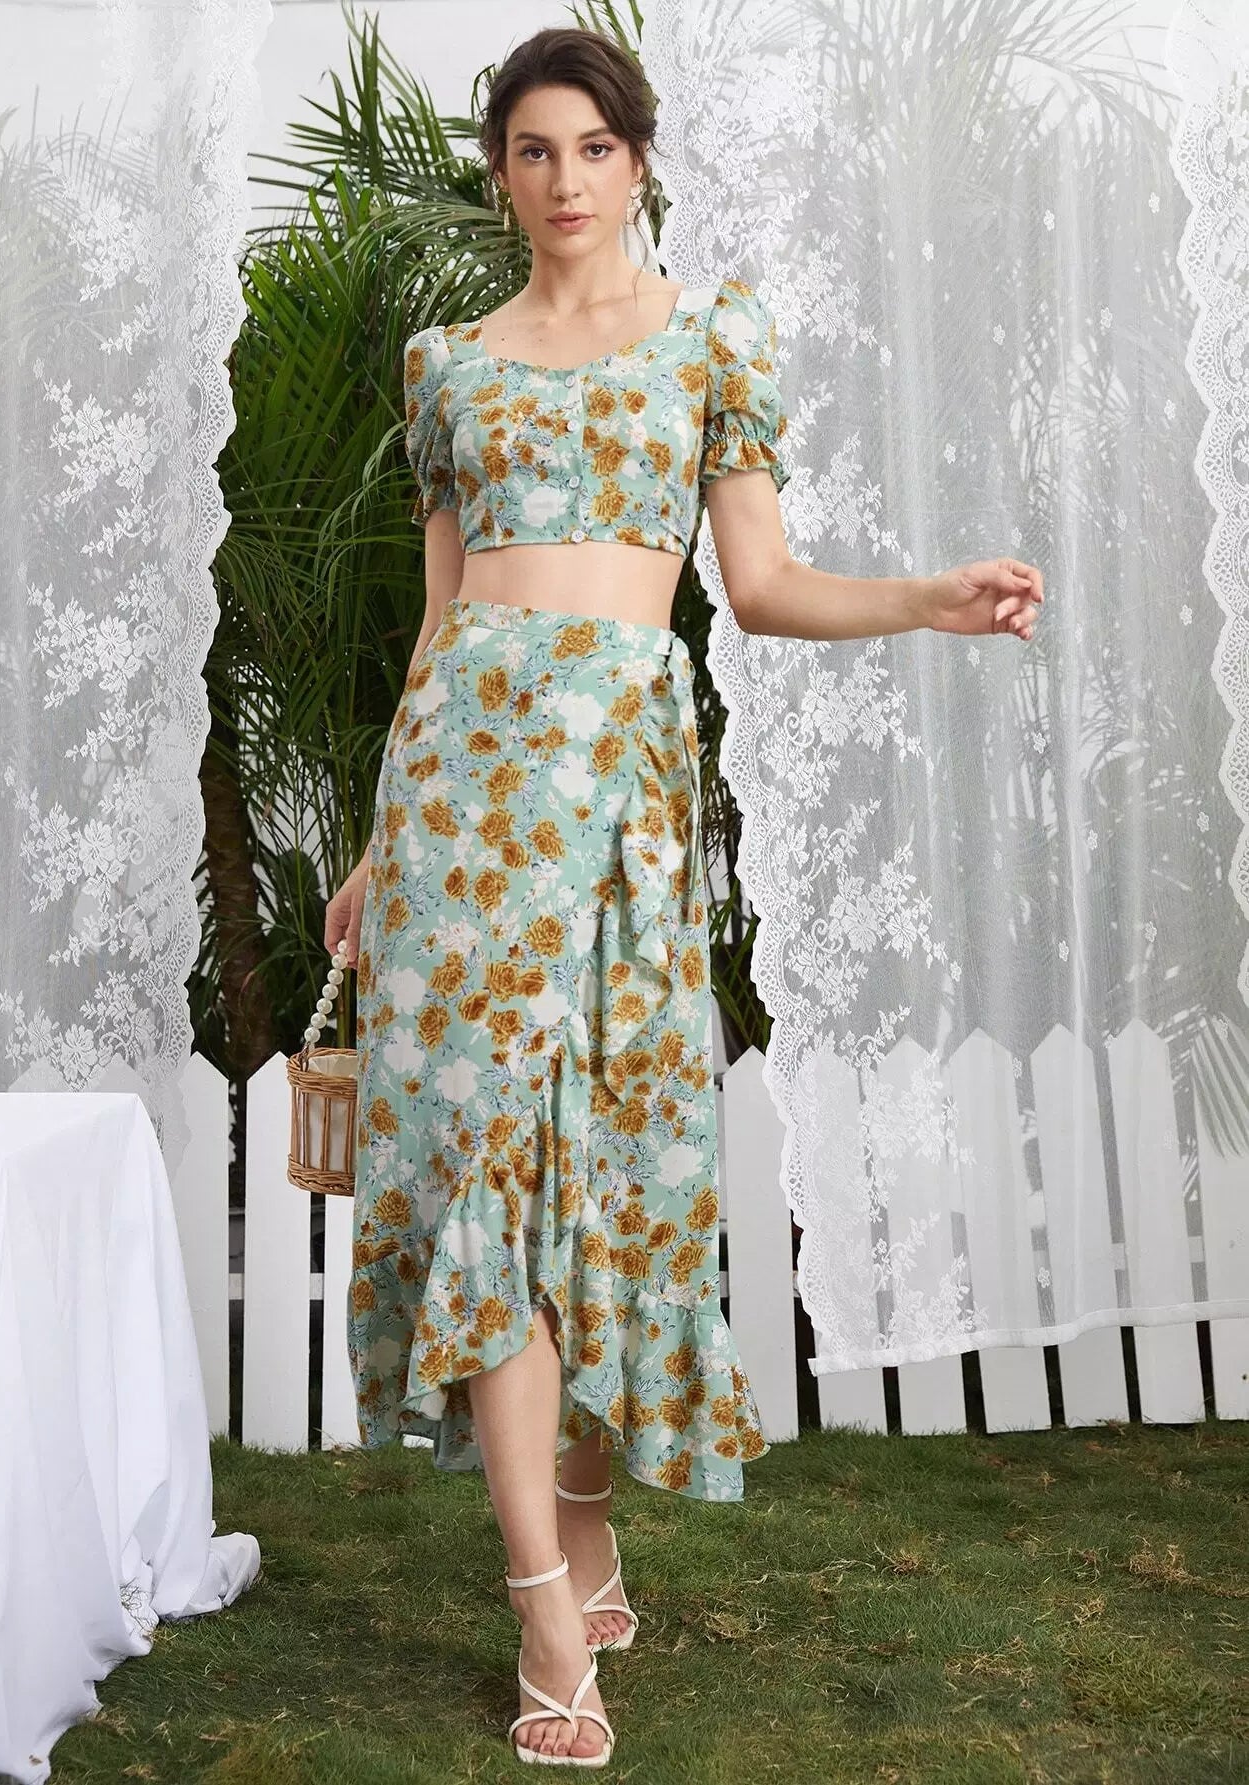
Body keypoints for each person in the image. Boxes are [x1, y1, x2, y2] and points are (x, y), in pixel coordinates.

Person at [324, 24, 1043, 1769]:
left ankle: (585, 1504)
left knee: (614, 1175)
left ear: (637, 161)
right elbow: (437, 623)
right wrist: (374, 846)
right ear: (501, 175)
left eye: (593, 147)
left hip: (625, 803)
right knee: (484, 1165)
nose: (563, 180)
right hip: (461, 806)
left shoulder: (711, 334)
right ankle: (542, 1609)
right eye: (532, 151)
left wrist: (926, 599)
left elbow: (761, 583)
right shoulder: (445, 366)